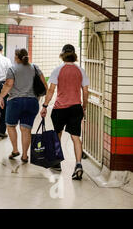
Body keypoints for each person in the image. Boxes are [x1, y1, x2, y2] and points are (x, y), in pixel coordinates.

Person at [40, 44, 89, 180]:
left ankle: (56, 163)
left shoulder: (57, 70)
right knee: (75, 137)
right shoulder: (81, 71)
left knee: (57, 135)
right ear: (74, 55)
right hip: (75, 108)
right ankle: (78, 164)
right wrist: (83, 106)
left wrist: (44, 105)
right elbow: (85, 91)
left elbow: (51, 90)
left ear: (62, 55)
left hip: (60, 108)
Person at [0, 49, 48, 163]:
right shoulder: (35, 68)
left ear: (16, 57)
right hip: (32, 102)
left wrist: (1, 97)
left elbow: (8, 84)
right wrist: (38, 98)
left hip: (15, 102)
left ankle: (15, 150)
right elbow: (45, 85)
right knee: (26, 129)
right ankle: (25, 156)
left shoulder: (12, 69)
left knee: (10, 126)